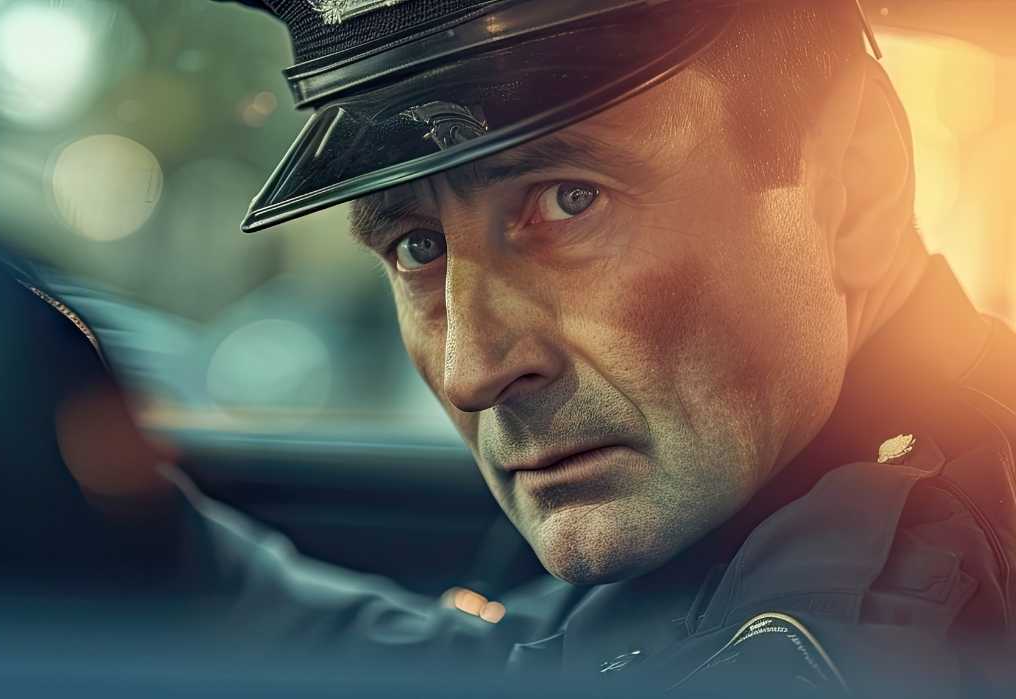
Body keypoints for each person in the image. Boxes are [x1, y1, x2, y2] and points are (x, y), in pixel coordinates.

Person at [198, 0, 1015, 694]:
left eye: (569, 200)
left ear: (859, 185)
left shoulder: (870, 627)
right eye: (418, 247)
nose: (471, 370)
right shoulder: (753, 486)